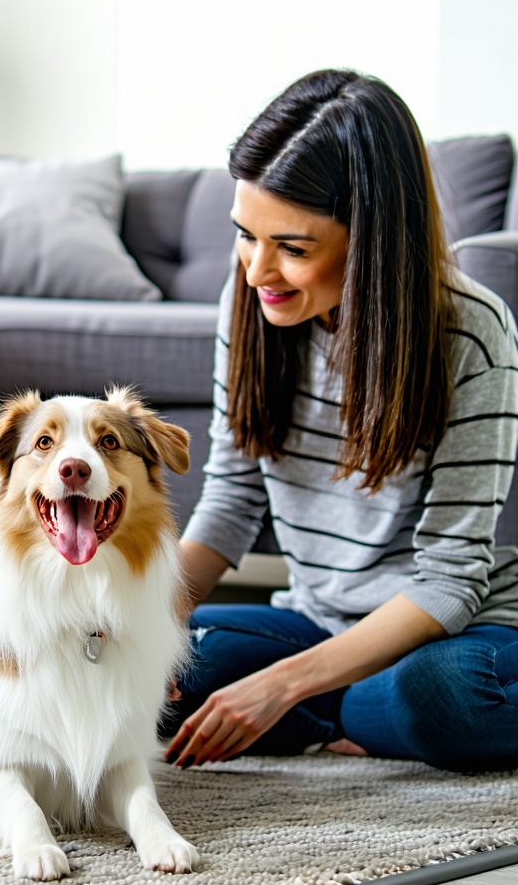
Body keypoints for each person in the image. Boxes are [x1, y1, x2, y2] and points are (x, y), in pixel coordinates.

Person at [163, 69, 518, 774]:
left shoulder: (471, 334)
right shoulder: (254, 309)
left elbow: (450, 581)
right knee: (168, 664)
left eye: (293, 248)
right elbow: (231, 504)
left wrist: (281, 685)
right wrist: (130, 624)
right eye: (245, 236)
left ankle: (342, 708)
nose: (259, 270)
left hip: (453, 634)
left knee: (439, 696)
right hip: (318, 621)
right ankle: (356, 709)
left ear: (374, 238)